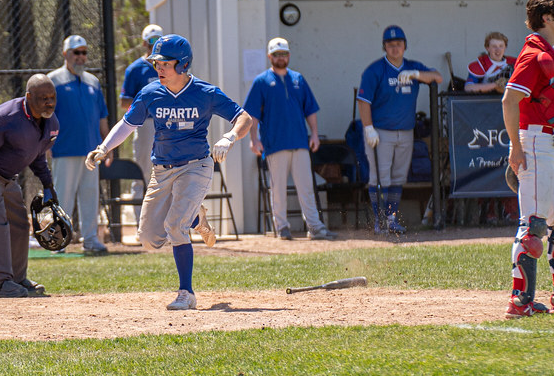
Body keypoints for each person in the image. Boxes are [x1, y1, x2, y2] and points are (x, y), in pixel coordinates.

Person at [85, 34, 253, 311]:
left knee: (175, 225)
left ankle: (186, 292)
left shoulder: (206, 92)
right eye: (156, 62)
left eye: (165, 63)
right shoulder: (150, 92)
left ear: (183, 64)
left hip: (196, 165)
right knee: (149, 240)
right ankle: (196, 216)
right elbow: (128, 125)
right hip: (161, 170)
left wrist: (229, 138)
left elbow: (244, 117)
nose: (158, 68)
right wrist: (104, 147)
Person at [502, 0, 554, 318]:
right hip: (532, 141)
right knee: (531, 226)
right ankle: (520, 302)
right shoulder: (534, 54)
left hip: (549, 144)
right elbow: (509, 100)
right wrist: (515, 149)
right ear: (547, 18)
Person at [0, 74, 59, 298]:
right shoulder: (6, 117)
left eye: (52, 97)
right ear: (28, 97)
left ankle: (16, 279)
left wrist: (48, 184)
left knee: (19, 223)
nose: (49, 103)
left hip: (8, 176)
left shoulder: (51, 122)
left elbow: (37, 156)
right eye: (43, 98)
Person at [244, 37, 336, 241]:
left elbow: (310, 109)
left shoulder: (298, 79)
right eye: (277, 54)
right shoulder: (261, 81)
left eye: (284, 54)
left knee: (306, 187)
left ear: (289, 55)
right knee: (278, 188)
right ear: (270, 56)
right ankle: (282, 227)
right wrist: (254, 139)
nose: (281, 58)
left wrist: (314, 133)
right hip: (275, 143)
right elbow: (252, 115)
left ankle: (315, 228)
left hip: (300, 141)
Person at [357, 25, 444, 235]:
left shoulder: (413, 65)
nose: (395, 48)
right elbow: (363, 101)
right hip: (381, 131)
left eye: (398, 44)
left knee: (398, 178)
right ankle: (380, 221)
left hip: (406, 131)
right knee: (380, 178)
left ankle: (391, 218)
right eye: (390, 45)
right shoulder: (375, 70)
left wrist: (415, 74)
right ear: (384, 47)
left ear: (405, 46)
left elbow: (438, 77)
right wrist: (368, 128)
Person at [49, 35, 110, 255]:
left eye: (84, 52)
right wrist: (45, 147)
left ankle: (91, 240)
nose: (81, 57)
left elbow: (102, 117)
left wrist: (107, 145)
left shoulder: (93, 81)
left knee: (90, 195)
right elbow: (45, 117)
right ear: (66, 54)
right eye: (76, 52)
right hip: (64, 149)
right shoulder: (52, 80)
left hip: (91, 152)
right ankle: (59, 242)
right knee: (63, 196)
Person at [465, 31, 517, 224]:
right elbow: (468, 87)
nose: (497, 50)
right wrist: (494, 86)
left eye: (500, 46)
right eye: (493, 46)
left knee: (511, 163)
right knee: (487, 165)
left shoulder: (514, 61)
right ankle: (488, 211)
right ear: (487, 48)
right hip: (485, 123)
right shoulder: (480, 65)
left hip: (508, 121)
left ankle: (511, 209)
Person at [120, 24, 163, 221]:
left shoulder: (169, 66)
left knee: (166, 172)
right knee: (143, 173)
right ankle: (141, 222)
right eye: (152, 41)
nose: (155, 46)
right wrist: (146, 101)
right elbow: (124, 102)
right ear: (145, 43)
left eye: (159, 41)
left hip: (166, 123)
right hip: (145, 124)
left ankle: (165, 223)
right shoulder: (135, 69)